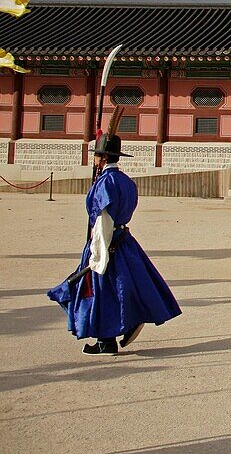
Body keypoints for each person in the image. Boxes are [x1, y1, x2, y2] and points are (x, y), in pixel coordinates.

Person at [47, 132, 182, 355]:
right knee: (121, 288)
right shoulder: (126, 181)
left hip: (107, 242)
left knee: (99, 292)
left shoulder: (106, 183)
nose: (93, 159)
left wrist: (98, 254)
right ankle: (108, 338)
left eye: (96, 155)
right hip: (124, 241)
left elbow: (103, 219)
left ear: (101, 157)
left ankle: (112, 335)